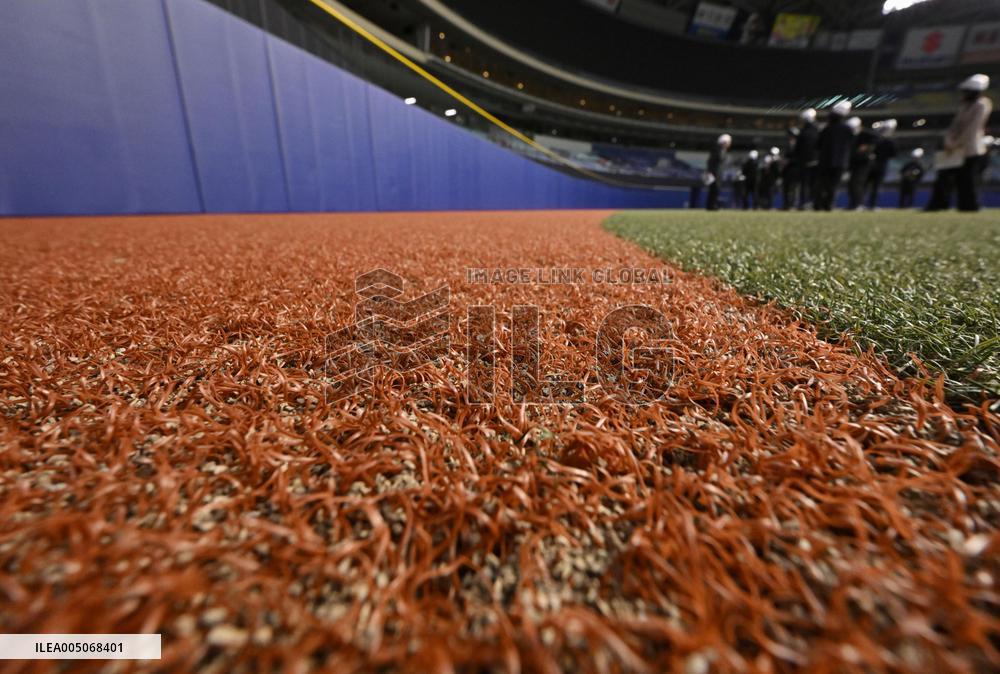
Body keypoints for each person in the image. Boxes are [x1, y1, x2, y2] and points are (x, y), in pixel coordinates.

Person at [927, 74, 993, 211]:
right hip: (953, 149)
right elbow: (954, 127)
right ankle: (938, 204)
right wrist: (949, 141)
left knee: (968, 180)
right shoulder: (964, 107)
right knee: (944, 177)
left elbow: (972, 129)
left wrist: (956, 144)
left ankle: (969, 206)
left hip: (970, 149)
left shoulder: (982, 104)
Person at [815, 100, 854, 211]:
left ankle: (819, 204)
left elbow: (818, 145)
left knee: (823, 184)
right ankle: (829, 205)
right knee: (834, 185)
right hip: (840, 162)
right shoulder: (848, 129)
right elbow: (851, 145)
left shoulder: (826, 129)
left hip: (825, 161)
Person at [866, 119, 898, 209]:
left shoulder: (876, 139)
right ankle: (871, 205)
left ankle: (861, 203)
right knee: (876, 186)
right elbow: (893, 154)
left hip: (872, 165)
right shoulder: (889, 141)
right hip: (881, 166)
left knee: (867, 185)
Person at [793, 108, 820, 209]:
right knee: (814, 184)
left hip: (804, 161)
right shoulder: (818, 130)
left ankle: (803, 202)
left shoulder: (803, 133)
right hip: (816, 160)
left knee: (804, 184)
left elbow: (797, 149)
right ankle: (813, 202)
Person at [847, 117, 875, 210]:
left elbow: (877, 139)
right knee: (852, 184)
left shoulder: (866, 134)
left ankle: (859, 204)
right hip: (854, 163)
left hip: (863, 163)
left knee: (858, 183)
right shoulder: (851, 135)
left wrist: (867, 147)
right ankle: (853, 204)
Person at [705, 133, 731, 211]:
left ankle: (712, 205)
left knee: (716, 190)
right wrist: (709, 171)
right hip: (714, 173)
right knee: (714, 190)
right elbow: (711, 161)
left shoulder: (722, 150)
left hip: (718, 173)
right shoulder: (717, 149)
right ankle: (711, 206)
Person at [781, 127, 799, 210]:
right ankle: (786, 205)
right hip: (787, 170)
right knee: (786, 188)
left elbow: (798, 158)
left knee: (793, 188)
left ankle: (792, 205)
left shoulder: (798, 145)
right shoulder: (788, 145)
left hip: (794, 169)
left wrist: (789, 161)